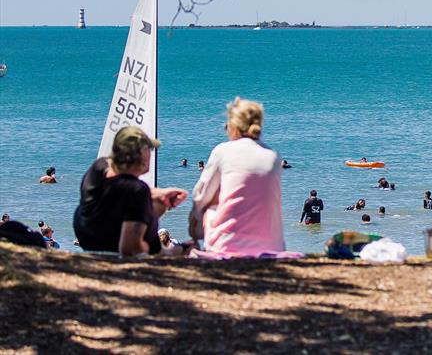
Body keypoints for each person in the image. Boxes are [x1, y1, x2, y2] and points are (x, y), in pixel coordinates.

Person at [190, 97, 286, 257]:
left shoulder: (223, 151)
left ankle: (198, 244)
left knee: (210, 204)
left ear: (233, 127)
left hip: (227, 244)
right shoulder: (273, 156)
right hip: (273, 245)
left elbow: (199, 197)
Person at [73, 126, 188, 256]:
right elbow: (130, 249)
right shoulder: (137, 190)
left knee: (157, 199)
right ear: (140, 155)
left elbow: (119, 188)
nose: (151, 153)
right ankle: (162, 251)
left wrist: (160, 193)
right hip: (110, 245)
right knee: (159, 204)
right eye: (148, 149)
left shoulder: (99, 166)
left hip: (86, 236)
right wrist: (177, 250)